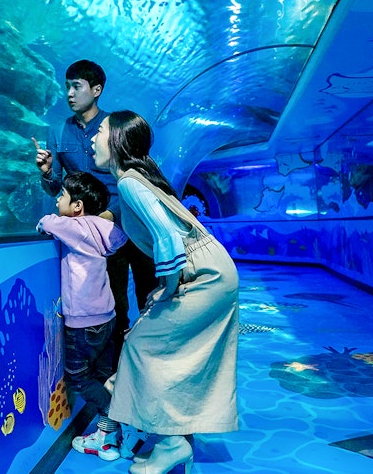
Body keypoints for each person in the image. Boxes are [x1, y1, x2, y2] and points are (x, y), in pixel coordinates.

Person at [92, 110, 240, 474]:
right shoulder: (139, 179)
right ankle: (176, 433)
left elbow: (167, 238)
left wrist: (168, 288)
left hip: (203, 277)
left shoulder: (128, 181)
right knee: (167, 347)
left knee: (142, 345)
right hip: (213, 271)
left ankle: (172, 443)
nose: (93, 138)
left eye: (99, 131)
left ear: (116, 141)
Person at [33, 60, 158, 365]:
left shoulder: (112, 128)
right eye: (67, 86)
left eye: (77, 86)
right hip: (94, 236)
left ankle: (154, 358)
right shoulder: (60, 131)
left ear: (97, 90)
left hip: (130, 221)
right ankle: (116, 370)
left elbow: (131, 175)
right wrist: (48, 173)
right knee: (114, 301)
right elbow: (59, 190)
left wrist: (111, 214)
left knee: (149, 293)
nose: (70, 93)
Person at [37, 171, 129, 462]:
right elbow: (119, 238)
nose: (57, 201)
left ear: (77, 206)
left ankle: (112, 414)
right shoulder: (102, 228)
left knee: (78, 378)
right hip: (107, 317)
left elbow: (47, 223)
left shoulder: (75, 227)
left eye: (62, 196)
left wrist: (44, 221)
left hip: (83, 322)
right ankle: (109, 437)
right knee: (103, 374)